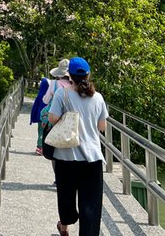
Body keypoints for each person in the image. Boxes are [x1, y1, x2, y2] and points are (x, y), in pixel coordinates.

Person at [48, 57, 108, 236]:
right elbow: (102, 127)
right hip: (92, 159)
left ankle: (66, 221)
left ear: (69, 76)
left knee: (66, 199)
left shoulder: (63, 94)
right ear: (88, 75)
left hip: (66, 157)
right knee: (91, 207)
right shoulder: (98, 97)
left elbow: (52, 118)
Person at [31, 59, 70, 155]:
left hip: (54, 113)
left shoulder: (54, 84)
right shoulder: (74, 85)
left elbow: (46, 100)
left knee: (43, 122)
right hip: (68, 114)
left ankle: (40, 147)